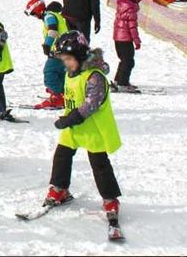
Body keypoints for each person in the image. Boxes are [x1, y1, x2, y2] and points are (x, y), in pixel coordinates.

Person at [43, 31, 123, 235]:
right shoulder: (73, 73)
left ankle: (110, 199)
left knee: (99, 163)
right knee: (62, 155)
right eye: (64, 60)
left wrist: (70, 119)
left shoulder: (94, 76)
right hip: (74, 127)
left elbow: (91, 104)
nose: (66, 64)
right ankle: (59, 189)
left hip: (92, 128)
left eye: (68, 59)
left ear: (79, 56)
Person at [26, 0, 67, 109]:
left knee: (50, 72)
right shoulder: (55, 15)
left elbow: (53, 30)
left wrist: (47, 45)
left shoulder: (48, 15)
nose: (35, 17)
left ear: (38, 10)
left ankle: (56, 98)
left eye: (34, 14)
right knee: (61, 73)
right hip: (65, 49)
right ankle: (63, 95)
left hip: (57, 50)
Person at [112, 0, 146, 91]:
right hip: (125, 38)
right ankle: (122, 83)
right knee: (128, 61)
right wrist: (136, 40)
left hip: (118, 37)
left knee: (124, 60)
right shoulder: (130, 9)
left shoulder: (122, 6)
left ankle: (119, 80)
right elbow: (132, 27)